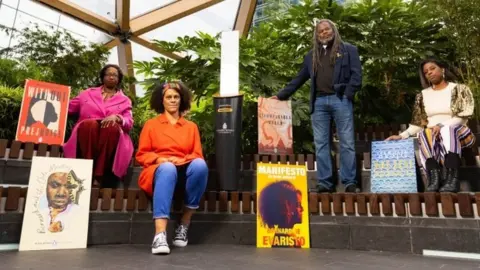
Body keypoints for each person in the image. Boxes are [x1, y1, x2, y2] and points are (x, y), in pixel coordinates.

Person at [272, 19, 362, 193]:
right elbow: (299, 78)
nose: (324, 33)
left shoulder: (349, 50)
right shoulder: (311, 56)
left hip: (340, 99)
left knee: (347, 143)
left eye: (327, 29)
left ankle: (350, 182)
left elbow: (356, 76)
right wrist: (281, 95)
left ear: (333, 30)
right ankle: (325, 183)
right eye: (320, 31)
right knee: (321, 144)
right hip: (319, 103)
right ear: (317, 35)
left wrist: (348, 95)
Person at [136, 82, 208, 255]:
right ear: (162, 101)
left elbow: (197, 154)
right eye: (169, 97)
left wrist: (181, 159)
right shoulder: (151, 125)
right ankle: (159, 235)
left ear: (181, 100)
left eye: (176, 97)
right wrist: (161, 159)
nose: (173, 100)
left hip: (183, 168)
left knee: (200, 165)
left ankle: (184, 224)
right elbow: (142, 155)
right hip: (158, 169)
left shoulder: (191, 127)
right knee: (167, 168)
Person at [386, 58, 475, 193]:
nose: (429, 73)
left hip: (460, 134)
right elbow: (418, 123)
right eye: (426, 72)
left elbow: (463, 116)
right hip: (435, 140)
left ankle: (452, 179)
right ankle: (434, 178)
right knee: (423, 133)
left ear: (442, 69)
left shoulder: (459, 89)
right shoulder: (422, 95)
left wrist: (441, 125)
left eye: (432, 68)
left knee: (448, 130)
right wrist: (401, 136)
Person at [63, 64, 134, 187]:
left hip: (110, 135)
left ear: (119, 79)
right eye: (108, 74)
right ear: (102, 77)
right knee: (89, 124)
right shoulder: (86, 94)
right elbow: (66, 107)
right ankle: (87, 169)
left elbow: (129, 121)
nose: (111, 77)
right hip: (88, 132)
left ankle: (98, 175)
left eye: (115, 75)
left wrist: (117, 117)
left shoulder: (125, 100)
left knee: (111, 127)